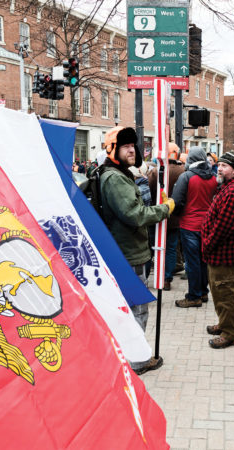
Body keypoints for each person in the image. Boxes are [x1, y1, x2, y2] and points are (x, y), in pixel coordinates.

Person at [98, 126, 175, 375]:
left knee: (131, 309)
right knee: (137, 309)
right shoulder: (114, 178)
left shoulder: (121, 174)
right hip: (128, 256)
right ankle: (138, 361)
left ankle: (126, 356)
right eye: (125, 146)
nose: (132, 150)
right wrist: (165, 209)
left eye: (133, 145)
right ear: (113, 150)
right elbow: (135, 215)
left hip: (128, 253)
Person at [201, 152, 234, 349]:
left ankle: (231, 333)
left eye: (224, 166)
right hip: (221, 253)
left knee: (225, 293)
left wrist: (207, 245)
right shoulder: (230, 187)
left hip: (224, 253)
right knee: (220, 291)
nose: (220, 168)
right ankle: (224, 324)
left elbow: (222, 228)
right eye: (219, 165)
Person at [171, 147, 218, 308]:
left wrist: (178, 213)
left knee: (192, 263)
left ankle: (194, 296)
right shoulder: (213, 178)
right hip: (207, 225)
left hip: (189, 225)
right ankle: (203, 292)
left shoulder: (186, 177)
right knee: (204, 261)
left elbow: (176, 201)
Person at [148, 143, 184, 291]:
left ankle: (151, 276)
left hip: (156, 215)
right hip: (175, 217)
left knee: (151, 248)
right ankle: (167, 278)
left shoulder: (156, 172)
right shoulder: (183, 171)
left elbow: (149, 191)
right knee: (170, 249)